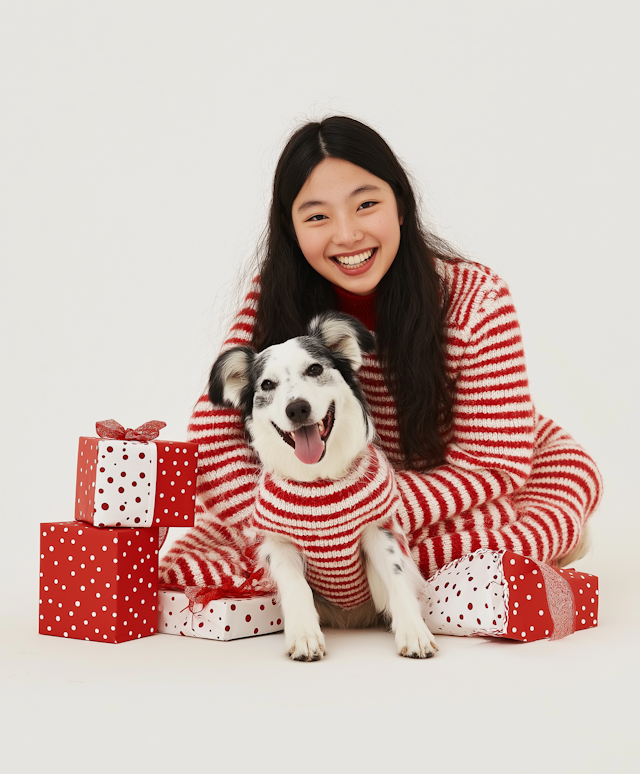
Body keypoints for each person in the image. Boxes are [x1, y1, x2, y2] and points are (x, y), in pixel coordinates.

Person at [159, 116, 602, 595]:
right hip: (308, 495)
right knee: (204, 562)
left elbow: (493, 466)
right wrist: (298, 524)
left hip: (449, 493)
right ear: (291, 230)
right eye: (316, 216)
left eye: (366, 204)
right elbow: (213, 436)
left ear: (401, 205)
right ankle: (347, 572)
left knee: (515, 529)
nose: (347, 235)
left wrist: (350, 515)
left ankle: (363, 572)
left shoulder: (476, 300)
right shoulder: (276, 294)